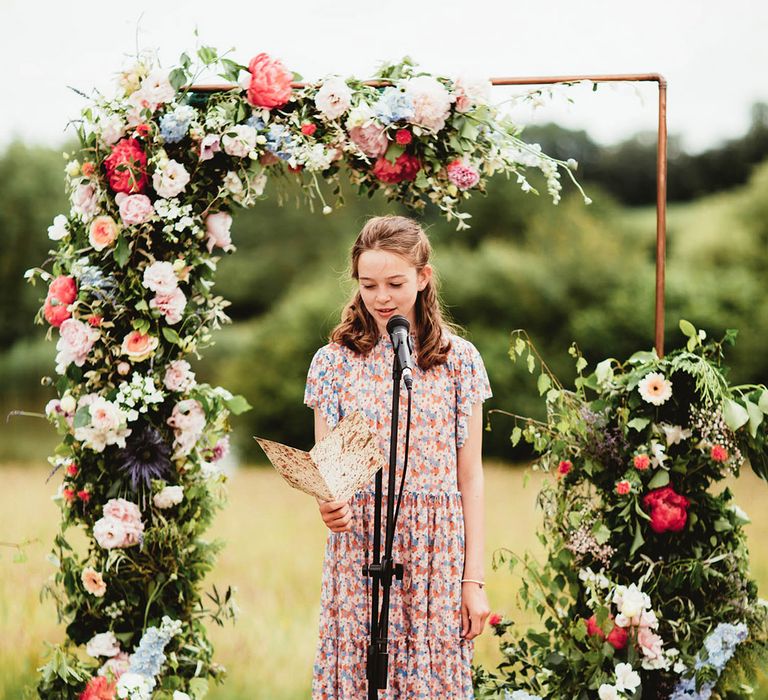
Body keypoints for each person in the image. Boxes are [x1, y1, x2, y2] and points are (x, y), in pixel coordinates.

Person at [304, 215, 492, 699]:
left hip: (436, 549)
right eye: (368, 285)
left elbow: (470, 478)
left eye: (395, 283)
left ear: (423, 278)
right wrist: (329, 505)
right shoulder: (333, 361)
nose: (381, 297)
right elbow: (329, 474)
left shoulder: (460, 360)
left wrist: (474, 580)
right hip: (362, 545)